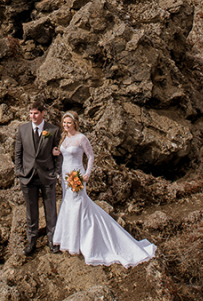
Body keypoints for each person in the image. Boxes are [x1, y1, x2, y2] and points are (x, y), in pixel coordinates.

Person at [51, 111, 156, 267]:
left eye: (69, 123)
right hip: (65, 176)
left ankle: (84, 242)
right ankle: (69, 241)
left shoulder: (81, 138)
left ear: (75, 124)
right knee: (68, 205)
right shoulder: (64, 137)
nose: (66, 125)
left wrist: (87, 174)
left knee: (78, 204)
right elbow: (64, 153)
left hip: (77, 175)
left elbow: (91, 156)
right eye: (64, 123)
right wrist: (56, 152)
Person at [13, 99, 63, 256]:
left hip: (47, 176)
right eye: (31, 113)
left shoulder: (53, 130)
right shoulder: (22, 129)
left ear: (42, 113)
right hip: (28, 177)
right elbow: (18, 153)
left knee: (51, 210)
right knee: (31, 211)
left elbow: (59, 153)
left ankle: (52, 241)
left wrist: (56, 172)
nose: (33, 116)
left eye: (36, 113)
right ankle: (31, 242)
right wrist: (20, 172)